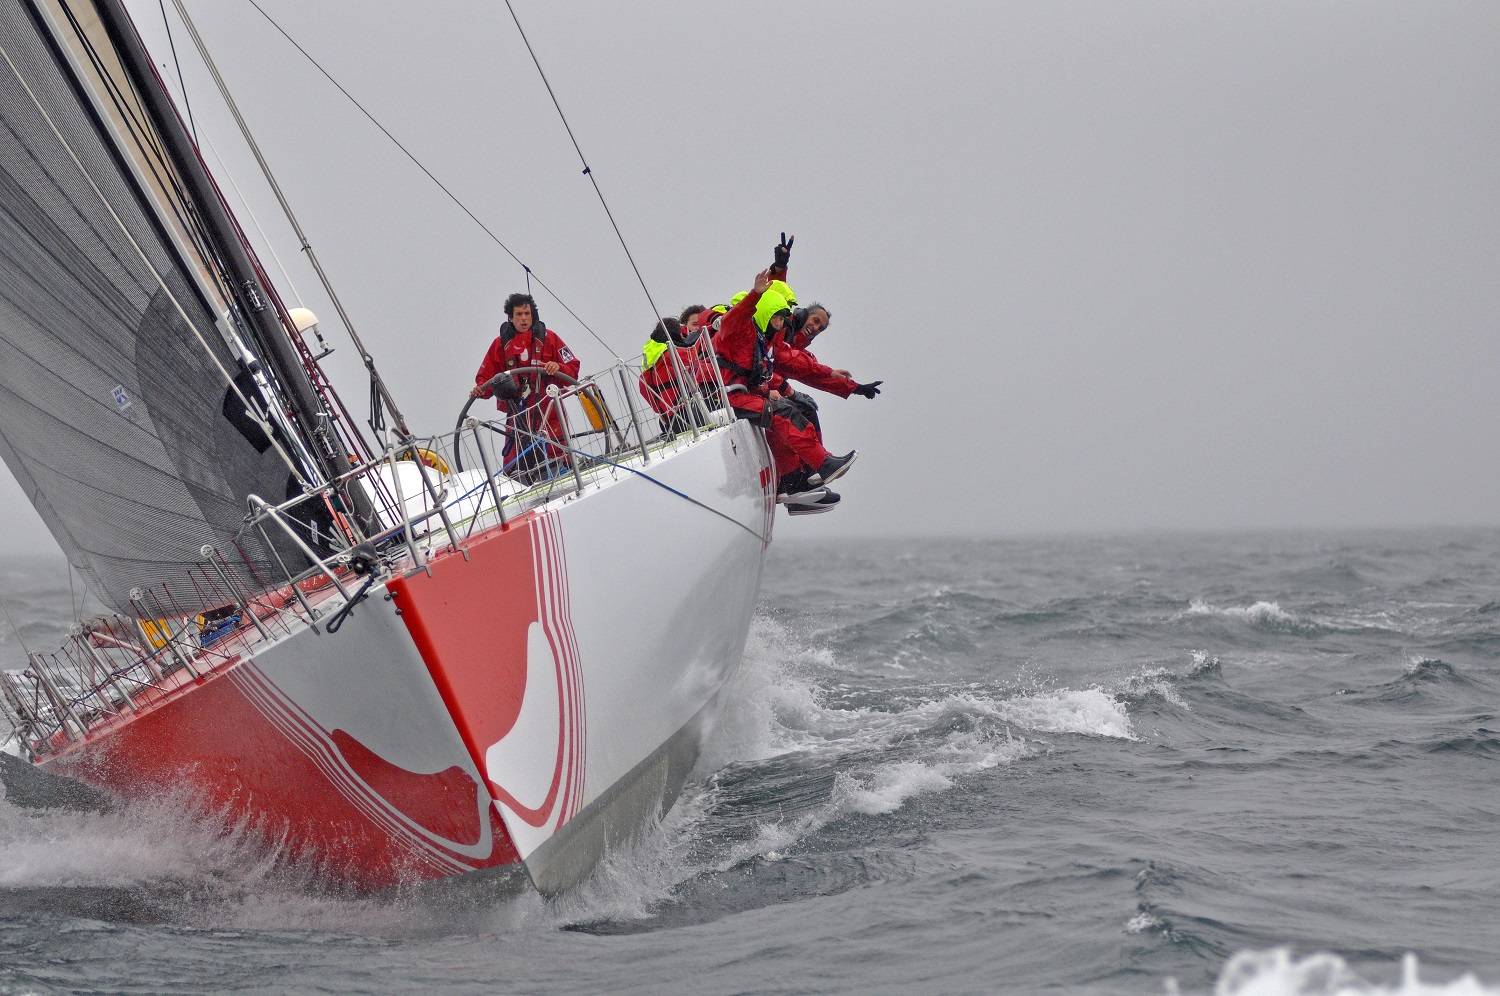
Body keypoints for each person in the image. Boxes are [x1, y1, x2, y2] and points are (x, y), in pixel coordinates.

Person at [713, 269, 856, 515]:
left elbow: (770, 369)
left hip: (742, 393)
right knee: (782, 413)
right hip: (728, 395)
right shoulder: (740, 328)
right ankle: (820, 465)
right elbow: (738, 317)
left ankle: (797, 481)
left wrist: (846, 383)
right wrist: (756, 293)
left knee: (791, 410)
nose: (781, 324)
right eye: (778, 318)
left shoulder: (763, 339)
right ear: (766, 313)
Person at [471, 293, 581, 481]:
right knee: (517, 463)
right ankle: (521, 482)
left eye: (527, 314)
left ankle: (563, 472)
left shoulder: (550, 338)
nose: (523, 318)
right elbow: (486, 380)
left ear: (533, 315)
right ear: (510, 317)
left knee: (557, 452)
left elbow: (572, 369)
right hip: (517, 416)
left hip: (548, 411)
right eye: (519, 314)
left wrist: (557, 367)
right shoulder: (499, 345)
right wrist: (480, 390)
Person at [638, 315, 716, 433]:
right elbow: (702, 368)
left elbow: (650, 399)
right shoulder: (675, 355)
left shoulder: (649, 366)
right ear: (675, 333)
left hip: (671, 422)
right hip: (692, 414)